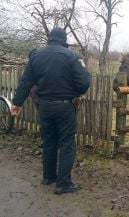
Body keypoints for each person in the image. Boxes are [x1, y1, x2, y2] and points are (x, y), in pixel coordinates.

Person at [11, 27, 91, 194]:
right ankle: (63, 183)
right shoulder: (72, 56)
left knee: (49, 141)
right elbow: (84, 83)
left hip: (45, 106)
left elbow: (25, 82)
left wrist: (17, 103)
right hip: (64, 106)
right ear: (64, 39)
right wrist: (74, 93)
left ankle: (48, 176)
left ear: (50, 38)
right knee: (67, 144)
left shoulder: (36, 56)